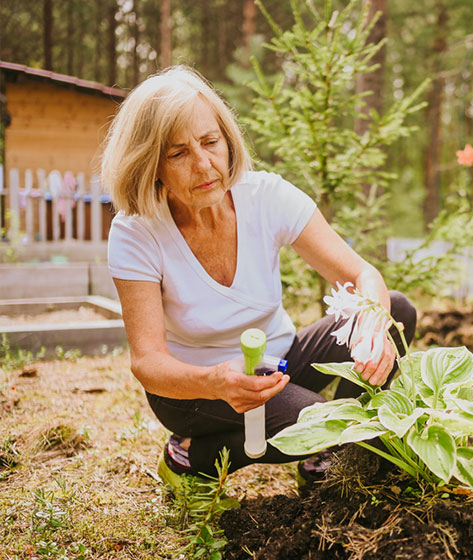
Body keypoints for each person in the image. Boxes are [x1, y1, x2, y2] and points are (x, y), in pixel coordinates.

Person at [102, 66, 416, 488]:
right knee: (318, 419)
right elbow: (147, 363)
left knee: (395, 310)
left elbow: (362, 273)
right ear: (151, 165)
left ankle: (327, 461)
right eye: (178, 153)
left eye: (211, 142)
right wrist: (214, 382)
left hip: (279, 360)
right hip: (192, 388)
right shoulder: (136, 232)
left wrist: (374, 325)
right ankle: (189, 454)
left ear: (226, 139)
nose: (203, 164)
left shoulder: (266, 197)